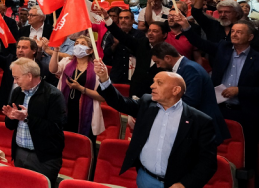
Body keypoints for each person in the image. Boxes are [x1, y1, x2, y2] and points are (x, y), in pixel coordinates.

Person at [93, 60, 217, 188]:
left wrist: (184, 184)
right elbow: (120, 102)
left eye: (159, 83)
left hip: (176, 184)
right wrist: (104, 79)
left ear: (175, 90)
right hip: (145, 178)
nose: (152, 86)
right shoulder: (147, 103)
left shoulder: (200, 121)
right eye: (153, 82)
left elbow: (208, 162)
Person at [179, 17, 259, 178]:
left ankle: (247, 180)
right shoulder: (223, 48)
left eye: (239, 32)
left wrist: (240, 90)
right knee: (211, 146)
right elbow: (201, 43)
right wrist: (187, 27)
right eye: (233, 31)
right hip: (218, 108)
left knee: (245, 153)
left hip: (245, 112)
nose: (234, 34)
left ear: (250, 37)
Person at [151, 42, 230, 145]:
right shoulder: (185, 67)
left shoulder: (190, 69)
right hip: (197, 124)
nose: (157, 66)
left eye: (158, 62)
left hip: (203, 126)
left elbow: (191, 100)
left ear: (168, 58)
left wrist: (163, 105)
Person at [3, 58, 65, 187]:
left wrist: (27, 118)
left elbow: (54, 128)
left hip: (44, 158)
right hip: (19, 153)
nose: (14, 81)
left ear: (29, 76)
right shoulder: (17, 92)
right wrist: (11, 117)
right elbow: (10, 126)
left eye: (17, 78)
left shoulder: (53, 95)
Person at [49, 34, 104, 138]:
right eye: (76, 43)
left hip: (87, 112)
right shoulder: (67, 62)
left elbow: (102, 96)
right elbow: (53, 70)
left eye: (83, 44)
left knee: (82, 142)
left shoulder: (98, 68)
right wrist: (56, 51)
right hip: (65, 108)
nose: (78, 46)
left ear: (90, 50)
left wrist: (80, 88)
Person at [104, 12, 167, 98]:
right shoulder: (142, 44)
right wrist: (107, 18)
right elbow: (121, 35)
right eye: (149, 31)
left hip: (157, 92)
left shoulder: (168, 52)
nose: (151, 33)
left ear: (164, 35)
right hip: (137, 90)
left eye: (155, 31)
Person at [192, 0, 259, 56]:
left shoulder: (247, 29)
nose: (223, 15)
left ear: (237, 13)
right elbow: (196, 13)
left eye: (227, 12)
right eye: (220, 12)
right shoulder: (213, 26)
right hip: (217, 70)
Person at [101, 9, 140, 85]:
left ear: (132, 20)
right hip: (117, 74)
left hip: (133, 75)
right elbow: (106, 54)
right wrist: (115, 45)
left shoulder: (139, 35)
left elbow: (139, 52)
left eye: (126, 18)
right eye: (121, 18)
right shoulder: (111, 34)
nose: (123, 20)